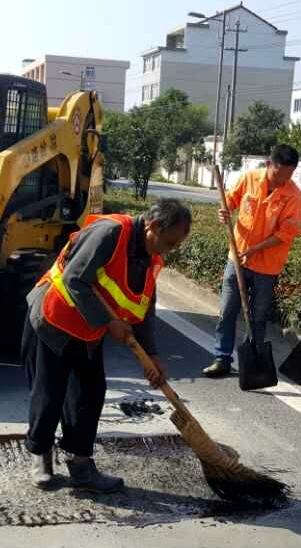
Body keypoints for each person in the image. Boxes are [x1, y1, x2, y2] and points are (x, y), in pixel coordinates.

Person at [24, 200, 193, 492]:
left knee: (90, 392)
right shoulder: (110, 233)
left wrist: (151, 355)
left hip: (87, 329)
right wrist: (109, 321)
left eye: (176, 245)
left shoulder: (152, 258)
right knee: (50, 392)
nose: (169, 250)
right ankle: (41, 455)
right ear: (153, 226)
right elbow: (74, 279)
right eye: (169, 242)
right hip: (54, 318)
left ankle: (80, 463)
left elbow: (144, 308)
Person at [202, 144, 301, 378]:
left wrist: (255, 249)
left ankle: (252, 361)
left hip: (267, 267)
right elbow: (230, 200)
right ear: (269, 164)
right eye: (278, 175)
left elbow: (285, 234)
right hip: (237, 258)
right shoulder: (249, 178)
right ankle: (222, 358)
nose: (281, 181)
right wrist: (224, 211)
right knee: (227, 311)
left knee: (257, 318)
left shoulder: (294, 196)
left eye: (287, 177)